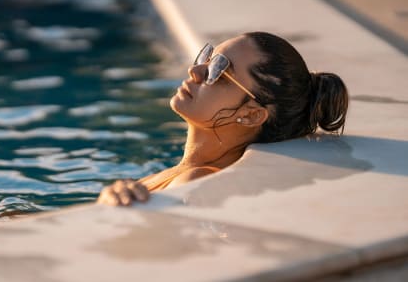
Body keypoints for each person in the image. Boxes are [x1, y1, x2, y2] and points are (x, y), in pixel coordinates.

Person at [97, 31, 348, 206]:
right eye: (207, 57)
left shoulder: (195, 180)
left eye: (219, 71)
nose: (195, 71)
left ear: (250, 114)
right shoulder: (182, 172)